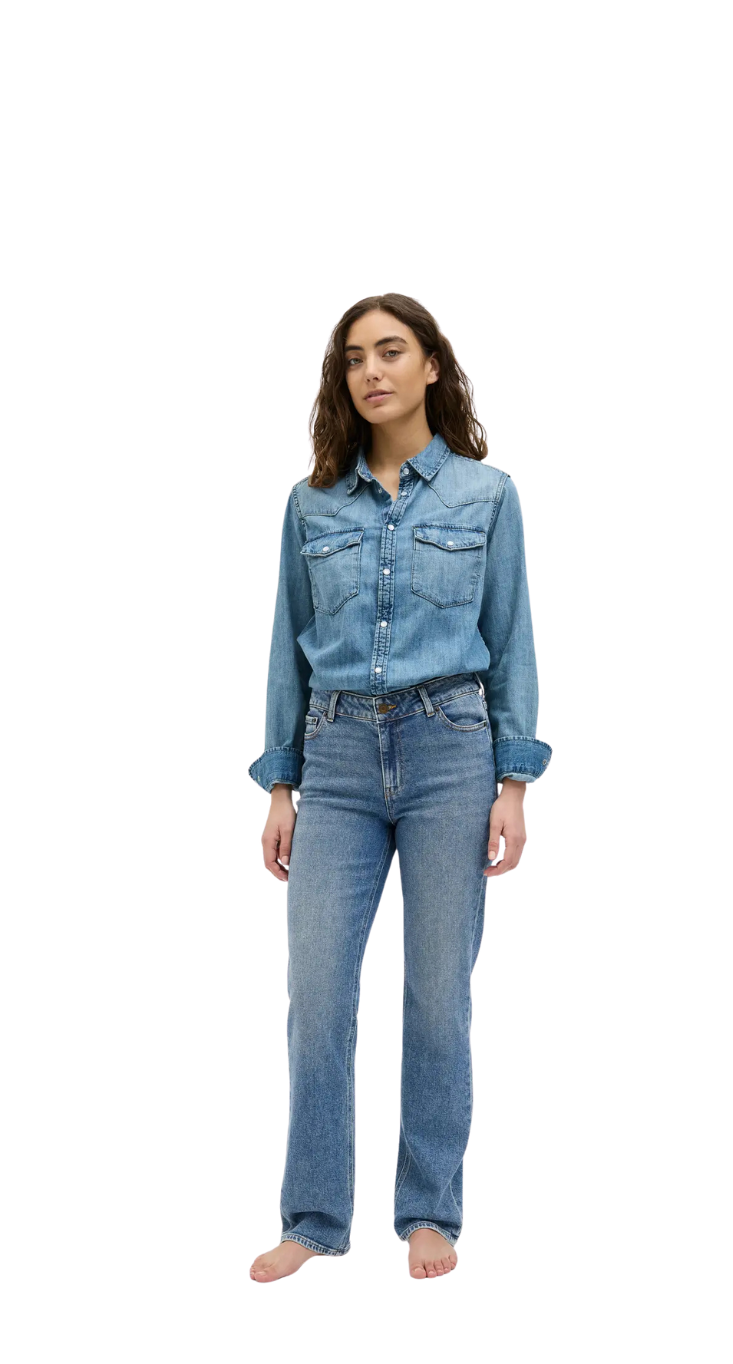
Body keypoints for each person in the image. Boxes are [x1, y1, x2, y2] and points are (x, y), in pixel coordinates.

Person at [247, 293, 551, 1282]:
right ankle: (311, 1217)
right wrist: (280, 785)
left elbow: (510, 637)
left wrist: (513, 780)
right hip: (333, 759)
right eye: (352, 358)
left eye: (389, 351)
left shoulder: (486, 496)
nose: (369, 371)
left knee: (436, 995)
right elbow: (285, 650)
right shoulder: (311, 504)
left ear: (430, 366)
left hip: (450, 753)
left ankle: (428, 1209)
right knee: (316, 994)